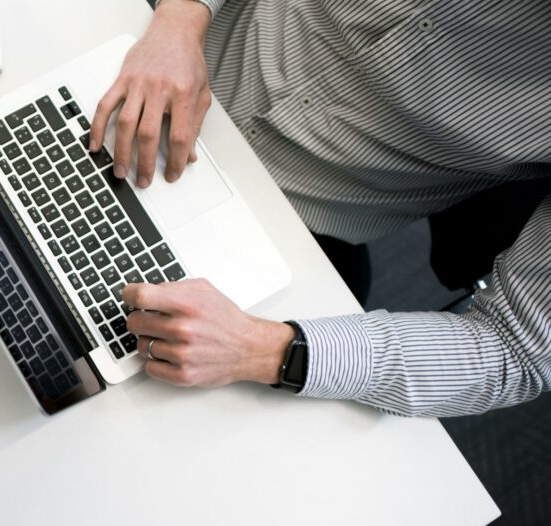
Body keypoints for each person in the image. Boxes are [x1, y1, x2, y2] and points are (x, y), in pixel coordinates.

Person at [92, 0, 551, 417]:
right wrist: (182, 17)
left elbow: (517, 350)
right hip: (174, 53)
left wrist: (265, 350)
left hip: (289, 227)